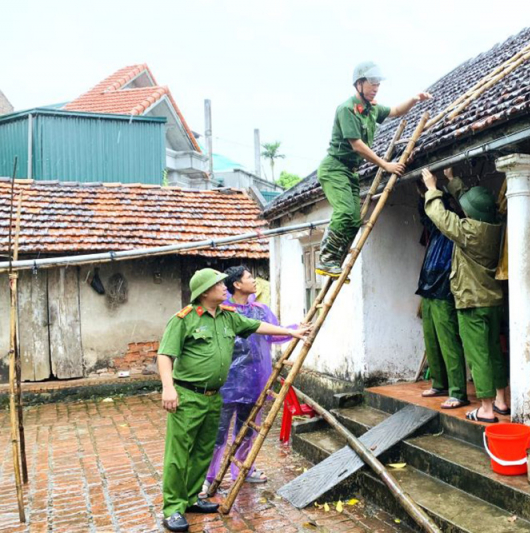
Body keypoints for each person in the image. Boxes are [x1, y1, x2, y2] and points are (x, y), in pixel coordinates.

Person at [157, 268, 310, 532]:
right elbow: (164, 354)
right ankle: (172, 509)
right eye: (218, 284)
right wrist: (168, 388)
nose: (224, 287)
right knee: (178, 454)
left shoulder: (228, 316)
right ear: (205, 291)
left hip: (213, 397)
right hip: (188, 396)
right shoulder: (184, 319)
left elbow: (258, 326)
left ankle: (191, 498)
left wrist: (292, 332)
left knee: (203, 451)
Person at [315, 61, 432, 278]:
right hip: (335, 169)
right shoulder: (347, 109)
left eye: (378, 84)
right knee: (345, 212)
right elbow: (357, 145)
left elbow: (395, 111)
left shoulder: (371, 109)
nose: (376, 88)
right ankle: (326, 259)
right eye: (372, 84)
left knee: (354, 219)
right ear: (359, 84)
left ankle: (335, 261)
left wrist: (415, 99)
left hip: (350, 171)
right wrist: (385, 165)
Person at [421, 168, 508, 423]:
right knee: (494, 352)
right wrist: (452, 181)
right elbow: (475, 204)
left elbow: (440, 216)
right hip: (493, 301)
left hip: (472, 301)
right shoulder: (494, 225)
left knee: (478, 355)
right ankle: (501, 401)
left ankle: (486, 409)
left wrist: (432, 188)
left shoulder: (469, 232)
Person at [202, 267, 294, 496]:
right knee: (217, 433)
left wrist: (296, 330)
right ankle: (207, 477)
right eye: (249, 277)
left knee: (247, 431)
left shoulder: (260, 310)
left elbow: (275, 334)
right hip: (226, 383)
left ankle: (244, 469)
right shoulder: (221, 312)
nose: (254, 281)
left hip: (254, 381)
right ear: (237, 284)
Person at [415, 171, 469, 409]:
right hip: (428, 287)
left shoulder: (457, 227)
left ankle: (458, 392)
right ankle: (439, 383)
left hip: (444, 289)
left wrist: (437, 187)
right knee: (432, 341)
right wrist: (424, 192)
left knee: (449, 342)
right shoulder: (437, 229)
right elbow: (426, 215)